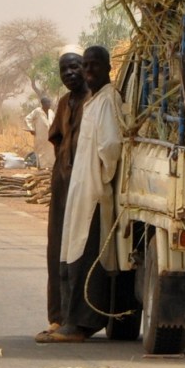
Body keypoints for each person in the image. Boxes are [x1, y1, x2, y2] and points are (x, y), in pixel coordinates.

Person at [53, 46, 126, 342]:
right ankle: (70, 320)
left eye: (94, 65)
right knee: (74, 251)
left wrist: (102, 179)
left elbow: (110, 147)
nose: (89, 71)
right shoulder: (93, 101)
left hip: (94, 191)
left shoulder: (108, 99)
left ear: (108, 67)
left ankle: (82, 324)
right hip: (82, 188)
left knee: (87, 256)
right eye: (86, 65)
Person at [36, 52, 87, 342]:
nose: (69, 73)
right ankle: (58, 317)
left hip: (85, 186)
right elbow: (57, 138)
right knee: (57, 247)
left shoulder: (95, 101)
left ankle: (78, 320)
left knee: (80, 251)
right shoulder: (66, 103)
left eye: (74, 67)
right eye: (64, 69)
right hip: (62, 183)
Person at [25, 95, 55, 170]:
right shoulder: (37, 111)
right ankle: (41, 167)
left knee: (50, 152)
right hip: (40, 136)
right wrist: (31, 129)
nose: (49, 104)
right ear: (43, 104)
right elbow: (27, 119)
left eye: (49, 102)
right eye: (47, 102)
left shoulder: (51, 112)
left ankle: (50, 167)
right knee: (40, 151)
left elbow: (55, 122)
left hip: (50, 136)